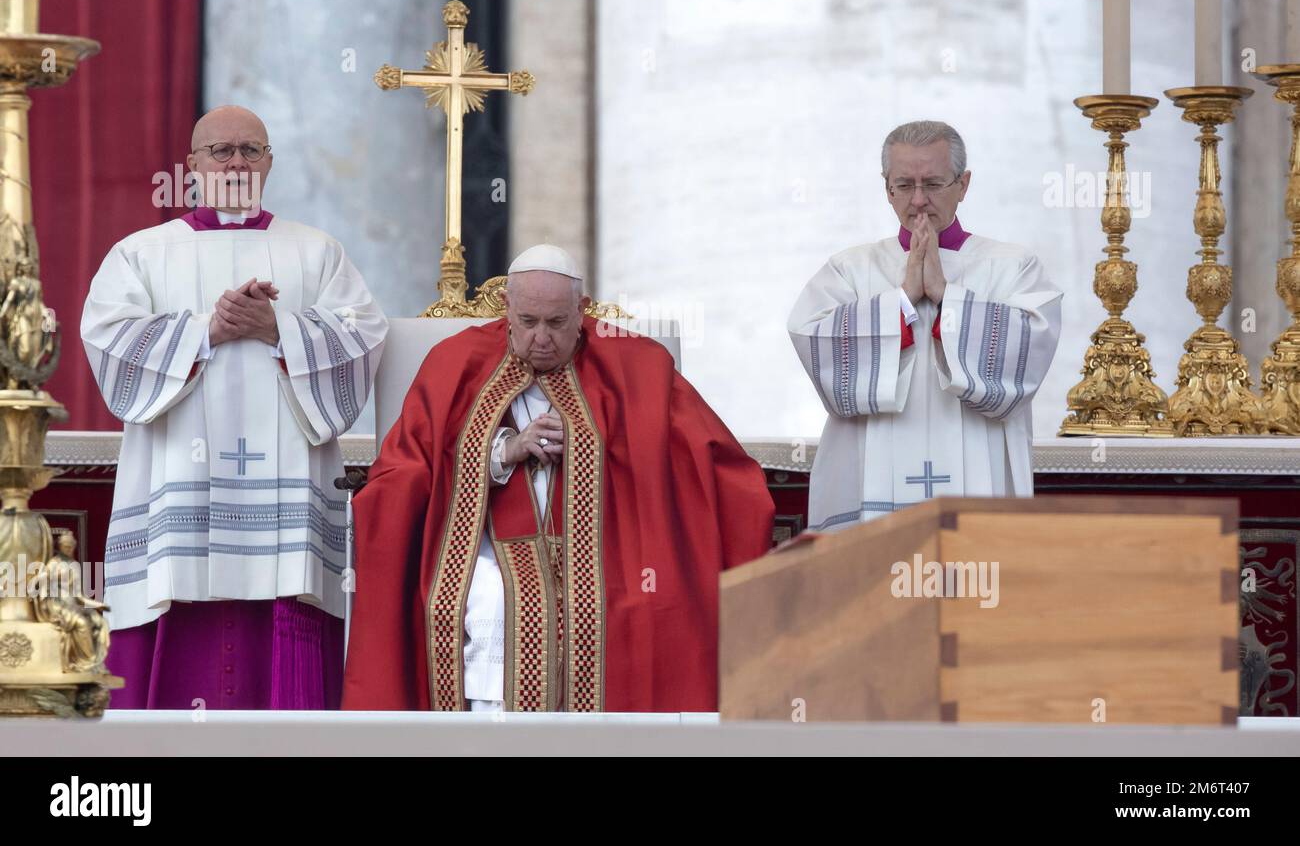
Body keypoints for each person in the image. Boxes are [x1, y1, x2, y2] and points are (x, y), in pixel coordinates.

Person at [343, 244, 773, 712]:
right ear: (507, 307)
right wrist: (502, 451)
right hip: (484, 550)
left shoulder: (638, 366)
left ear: (582, 312)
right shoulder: (455, 362)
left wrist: (600, 448)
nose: (541, 338)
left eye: (556, 323)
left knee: (641, 606)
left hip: (612, 552)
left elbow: (706, 464)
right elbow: (405, 468)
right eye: (527, 322)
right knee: (488, 602)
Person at [80, 105, 388, 709]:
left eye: (251, 149)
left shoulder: (317, 251)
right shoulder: (141, 253)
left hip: (287, 500)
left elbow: (364, 336)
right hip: (180, 481)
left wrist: (280, 328)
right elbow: (109, 341)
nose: (237, 161)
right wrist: (205, 331)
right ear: (191, 165)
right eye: (222, 150)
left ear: (270, 162)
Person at [789, 120, 1062, 532]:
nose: (918, 201)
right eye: (904, 185)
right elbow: (816, 345)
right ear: (887, 188)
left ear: (963, 184)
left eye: (933, 184)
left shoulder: (1012, 266)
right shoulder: (850, 269)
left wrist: (944, 295)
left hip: (978, 487)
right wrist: (901, 301)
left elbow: (1025, 359)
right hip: (872, 498)